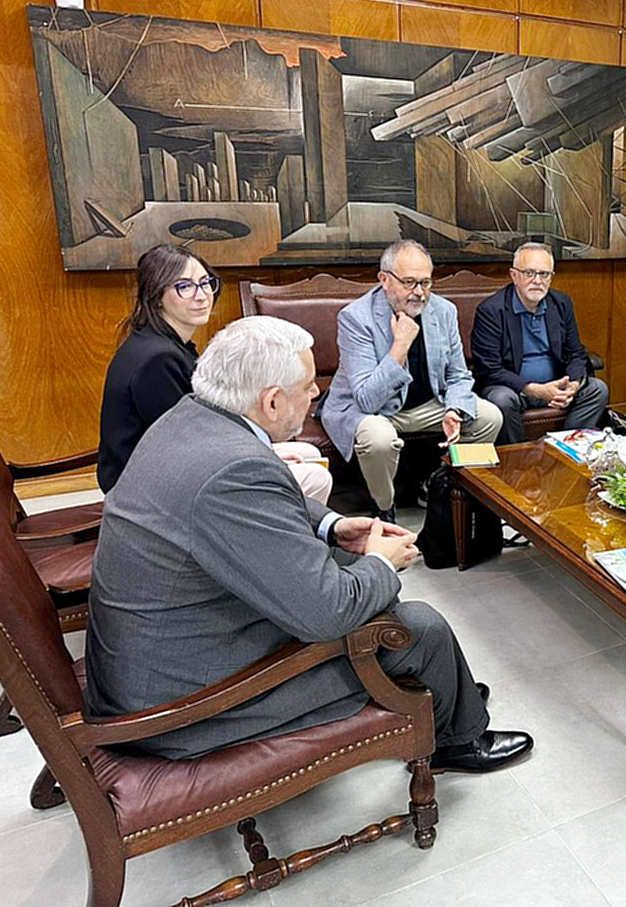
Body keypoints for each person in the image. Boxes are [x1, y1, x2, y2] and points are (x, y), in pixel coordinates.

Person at [84, 315, 533, 772]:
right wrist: (382, 563)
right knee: (419, 627)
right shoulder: (233, 470)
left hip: (161, 654)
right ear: (273, 401)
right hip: (182, 707)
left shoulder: (192, 417)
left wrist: (333, 526)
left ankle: (445, 688)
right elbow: (328, 614)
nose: (317, 392)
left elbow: (263, 504)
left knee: (343, 562)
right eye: (307, 385)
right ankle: (457, 740)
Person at [97, 243, 332, 502]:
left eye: (205, 282)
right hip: (147, 486)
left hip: (181, 462)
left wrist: (265, 451)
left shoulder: (168, 344)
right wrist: (263, 455)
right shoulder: (158, 359)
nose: (201, 295)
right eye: (184, 287)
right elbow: (188, 440)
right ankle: (272, 538)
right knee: (315, 476)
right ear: (156, 295)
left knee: (306, 452)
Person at [321, 240, 503, 522]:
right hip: (373, 410)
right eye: (409, 282)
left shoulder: (443, 311)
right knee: (378, 439)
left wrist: (454, 409)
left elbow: (458, 374)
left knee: (489, 417)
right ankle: (383, 506)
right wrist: (400, 346)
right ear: (384, 279)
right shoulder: (355, 318)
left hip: (428, 404)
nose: (419, 293)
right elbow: (367, 398)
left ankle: (442, 486)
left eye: (426, 283)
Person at [470, 242, 609, 444]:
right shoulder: (491, 310)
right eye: (529, 273)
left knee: (598, 389)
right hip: (514, 390)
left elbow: (576, 352)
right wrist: (534, 389)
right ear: (514, 275)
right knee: (500, 399)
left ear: (551, 277)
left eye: (544, 274)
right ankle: (519, 455)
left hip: (557, 386)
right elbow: (489, 369)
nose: (537, 281)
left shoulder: (561, 303)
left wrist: (573, 384)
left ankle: (565, 448)